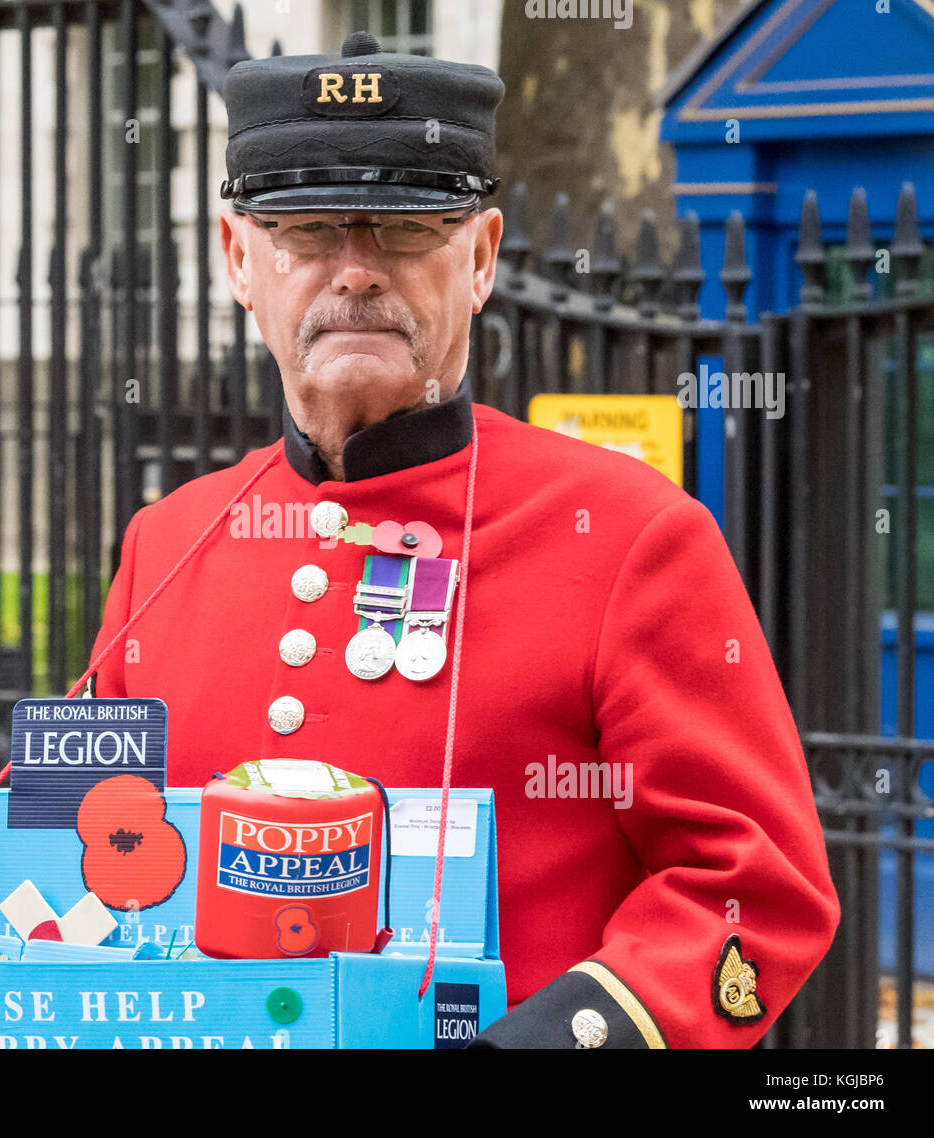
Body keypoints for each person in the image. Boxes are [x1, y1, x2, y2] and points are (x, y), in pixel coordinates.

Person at [89, 31, 839, 1048]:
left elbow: (757, 883)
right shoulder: (166, 540)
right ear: (238, 260)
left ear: (480, 257)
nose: (354, 273)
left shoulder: (632, 537)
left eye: (404, 232)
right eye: (306, 231)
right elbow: (89, 841)